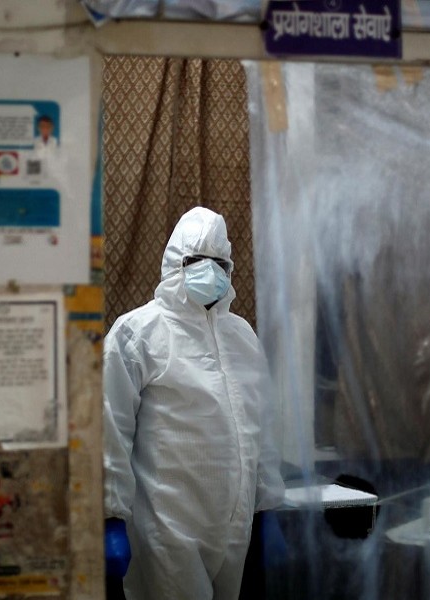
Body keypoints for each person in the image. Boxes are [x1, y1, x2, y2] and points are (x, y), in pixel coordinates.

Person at [102, 207, 285, 600]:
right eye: (197, 261)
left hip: (235, 528)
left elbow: (261, 428)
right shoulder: (137, 332)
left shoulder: (242, 336)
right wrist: (109, 516)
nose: (211, 271)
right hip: (167, 528)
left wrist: (268, 506)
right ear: (174, 264)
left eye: (220, 262)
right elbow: (110, 430)